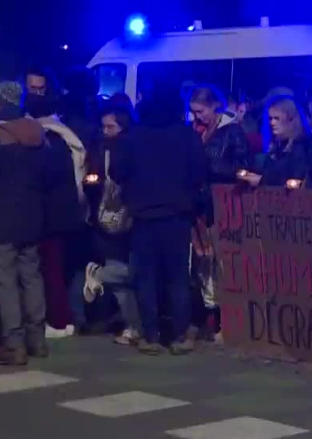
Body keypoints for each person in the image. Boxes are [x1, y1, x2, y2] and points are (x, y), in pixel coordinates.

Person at [110, 86, 206, 356]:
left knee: (146, 278)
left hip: (143, 215)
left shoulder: (134, 136)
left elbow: (117, 171)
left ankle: (150, 336)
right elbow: (199, 173)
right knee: (178, 277)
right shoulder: (187, 136)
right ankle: (179, 335)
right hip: (177, 215)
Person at [188, 85, 251, 343]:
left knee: (222, 262)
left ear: (215, 106)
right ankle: (208, 316)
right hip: (200, 206)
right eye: (193, 112)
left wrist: (210, 164)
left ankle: (227, 319)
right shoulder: (195, 131)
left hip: (222, 204)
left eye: (200, 111)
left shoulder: (232, 132)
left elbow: (242, 166)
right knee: (203, 264)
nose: (196, 117)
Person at [25, 84, 86, 338]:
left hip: (49, 215)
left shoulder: (42, 140)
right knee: (66, 269)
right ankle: (70, 318)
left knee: (50, 270)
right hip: (71, 212)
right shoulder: (66, 137)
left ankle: (59, 321)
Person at [79, 104, 140, 346]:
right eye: (104, 126)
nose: (106, 131)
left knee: (125, 271)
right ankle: (130, 323)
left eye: (111, 127)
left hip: (129, 216)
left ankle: (100, 277)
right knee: (119, 270)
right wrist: (91, 183)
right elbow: (90, 178)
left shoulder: (131, 148)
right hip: (104, 215)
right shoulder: (98, 147)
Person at [0, 81, 51, 364]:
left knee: (6, 280)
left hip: (4, 218)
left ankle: (14, 343)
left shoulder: (2, 137)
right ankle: (37, 340)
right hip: (33, 216)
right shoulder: (37, 134)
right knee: (32, 276)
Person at [238, 96, 309, 188]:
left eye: (276, 118)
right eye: (270, 118)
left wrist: (261, 181)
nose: (272, 123)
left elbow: (295, 182)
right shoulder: (277, 146)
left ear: (291, 120)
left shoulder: (300, 147)